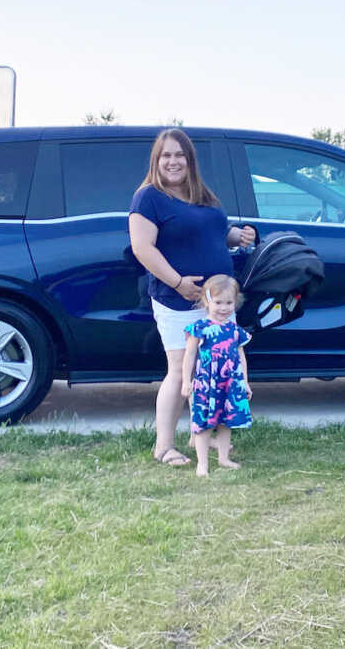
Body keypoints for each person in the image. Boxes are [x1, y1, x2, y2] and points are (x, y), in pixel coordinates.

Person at [129, 129, 256, 466]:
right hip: (177, 299)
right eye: (166, 155)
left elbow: (211, 232)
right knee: (179, 371)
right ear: (157, 160)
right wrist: (177, 282)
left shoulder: (200, 193)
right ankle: (164, 446)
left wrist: (236, 236)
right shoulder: (149, 197)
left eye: (179, 155)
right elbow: (142, 247)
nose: (173, 161)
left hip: (218, 303)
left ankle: (203, 434)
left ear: (189, 160)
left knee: (214, 368)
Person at [181, 275, 252, 476]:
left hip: (230, 383)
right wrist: (186, 381)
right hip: (206, 383)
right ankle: (202, 463)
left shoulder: (235, 330)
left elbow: (241, 357)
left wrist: (245, 382)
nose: (224, 308)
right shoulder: (200, 328)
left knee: (226, 421)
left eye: (229, 303)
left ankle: (223, 458)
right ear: (206, 301)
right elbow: (189, 355)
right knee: (203, 424)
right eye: (218, 302)